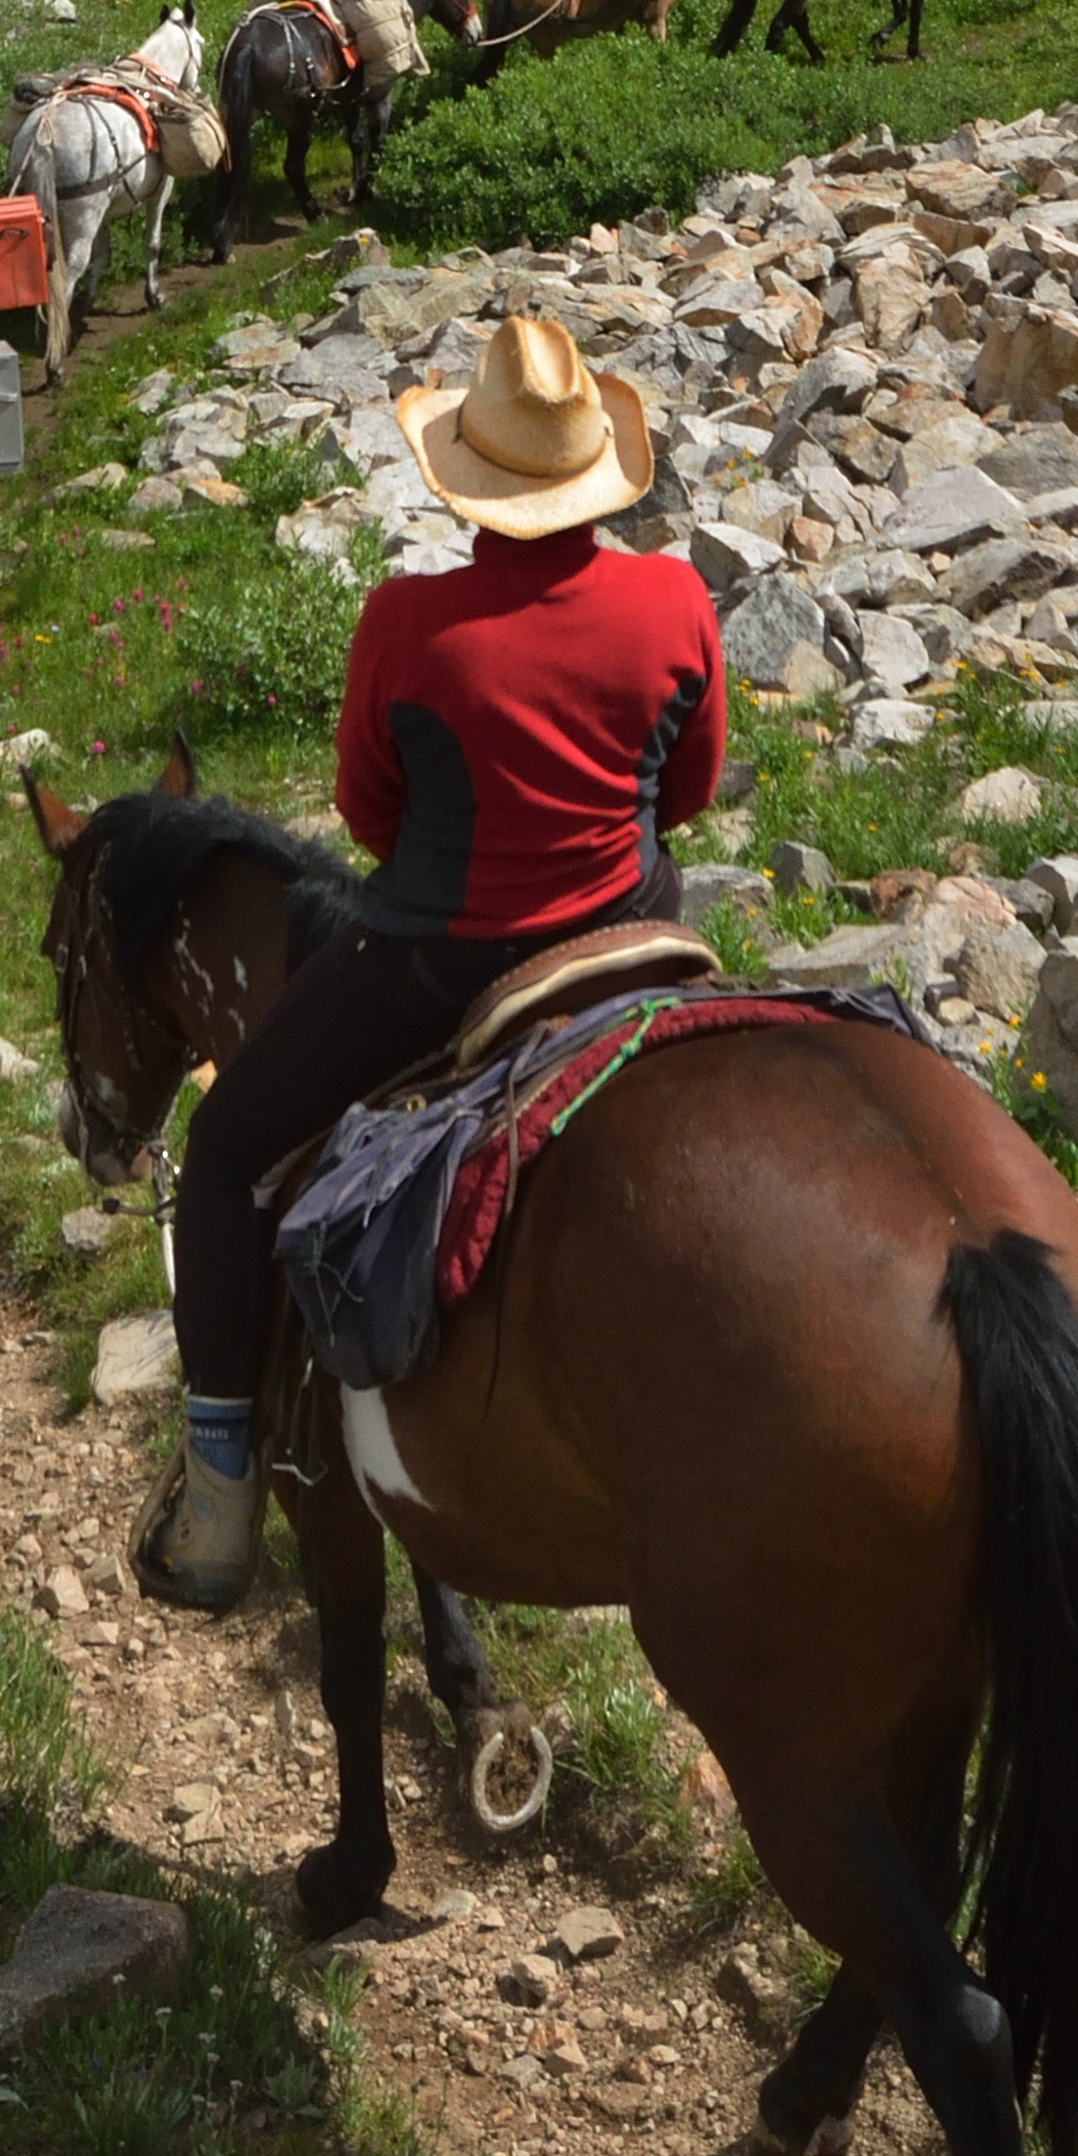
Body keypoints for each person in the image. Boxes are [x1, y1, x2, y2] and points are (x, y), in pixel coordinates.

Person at [135, 310, 727, 1605]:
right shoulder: (676, 595)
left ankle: (223, 1492)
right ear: (594, 473)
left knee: (231, 1144)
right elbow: (687, 788)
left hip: (442, 966)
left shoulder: (408, 623)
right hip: (638, 941)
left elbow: (368, 817)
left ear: (469, 472)